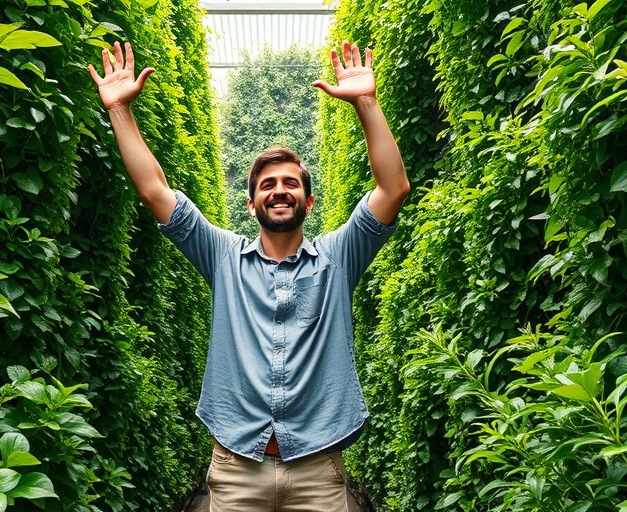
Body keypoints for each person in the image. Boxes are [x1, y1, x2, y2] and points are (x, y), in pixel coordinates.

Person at [88, 39, 409, 512]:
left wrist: (366, 102)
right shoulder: (222, 256)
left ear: (308, 202)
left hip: (320, 470)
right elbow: (154, 190)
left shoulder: (338, 257)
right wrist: (119, 110)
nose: (279, 191)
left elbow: (393, 187)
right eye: (267, 185)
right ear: (252, 203)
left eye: (291, 183)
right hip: (236, 469)